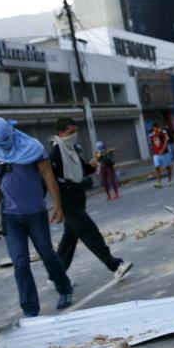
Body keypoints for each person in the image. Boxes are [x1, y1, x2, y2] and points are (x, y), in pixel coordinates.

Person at [0, 117, 73, 317]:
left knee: (47, 253)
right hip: (10, 217)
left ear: (10, 133)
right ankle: (30, 309)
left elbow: (48, 174)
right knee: (20, 263)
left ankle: (65, 289)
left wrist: (57, 205)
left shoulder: (32, 148)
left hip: (35, 213)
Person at [49, 118, 132, 279]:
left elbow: (83, 170)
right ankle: (114, 265)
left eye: (76, 132)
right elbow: (48, 180)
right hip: (68, 202)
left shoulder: (70, 150)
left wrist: (93, 164)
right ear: (61, 133)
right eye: (71, 132)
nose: (75, 135)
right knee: (90, 233)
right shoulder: (56, 154)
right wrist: (56, 206)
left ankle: (55, 275)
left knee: (69, 239)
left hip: (77, 199)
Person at [148, 122, 174, 188]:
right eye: (154, 128)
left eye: (157, 128)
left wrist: (162, 149)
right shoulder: (151, 135)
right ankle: (159, 183)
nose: (155, 129)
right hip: (156, 154)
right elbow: (152, 144)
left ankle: (169, 180)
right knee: (156, 168)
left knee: (168, 167)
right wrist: (152, 152)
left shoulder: (163, 132)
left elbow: (166, 141)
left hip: (165, 153)